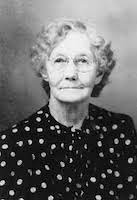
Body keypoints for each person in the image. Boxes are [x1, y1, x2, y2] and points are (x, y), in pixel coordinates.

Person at [0, 19, 137, 200]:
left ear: (99, 73)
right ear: (44, 71)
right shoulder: (11, 144)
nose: (71, 74)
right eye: (59, 60)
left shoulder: (120, 130)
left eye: (82, 60)